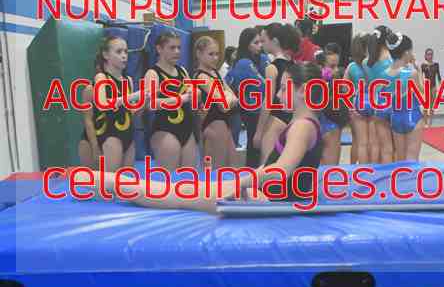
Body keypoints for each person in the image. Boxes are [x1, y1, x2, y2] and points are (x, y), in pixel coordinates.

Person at [90, 63, 323, 214]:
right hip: (262, 194)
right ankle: (104, 181)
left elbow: (280, 171)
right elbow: (275, 167)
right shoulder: (304, 123)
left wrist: (242, 184)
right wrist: (246, 180)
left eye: (284, 88)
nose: (279, 94)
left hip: (264, 199)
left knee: (175, 195)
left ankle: (104, 182)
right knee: (181, 190)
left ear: (303, 90)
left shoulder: (302, 126)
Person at [85, 34, 139, 172]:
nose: (124, 56)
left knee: (127, 182)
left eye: (126, 51)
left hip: (127, 136)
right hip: (108, 135)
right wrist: (94, 147)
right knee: (110, 182)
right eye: (119, 52)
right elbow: (103, 105)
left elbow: (130, 113)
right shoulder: (101, 78)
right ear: (106, 55)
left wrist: (145, 101)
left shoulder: (128, 81)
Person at [144, 31, 197, 171]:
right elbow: (150, 104)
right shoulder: (153, 73)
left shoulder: (182, 71)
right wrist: (180, 99)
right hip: (165, 130)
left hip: (187, 129)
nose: (177, 51)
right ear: (159, 49)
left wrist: (194, 92)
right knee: (169, 179)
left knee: (189, 178)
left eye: (179, 47)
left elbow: (192, 93)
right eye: (172, 48)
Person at [253, 23, 301, 162]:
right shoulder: (294, 65)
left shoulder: (272, 68)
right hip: (292, 120)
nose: (261, 45)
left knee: (267, 166)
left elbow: (268, 102)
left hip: (276, 120)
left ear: (274, 41)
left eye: (263, 41)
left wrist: (259, 132)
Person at [193, 36, 239, 169]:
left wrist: (228, 98)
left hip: (224, 124)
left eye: (217, 54)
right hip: (213, 125)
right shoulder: (201, 76)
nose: (215, 58)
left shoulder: (215, 73)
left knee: (233, 168)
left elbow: (234, 98)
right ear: (199, 54)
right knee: (215, 172)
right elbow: (225, 104)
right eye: (211, 54)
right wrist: (228, 97)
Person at [226, 27, 266, 167]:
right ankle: (253, 172)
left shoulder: (257, 59)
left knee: (256, 144)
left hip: (255, 108)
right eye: (256, 43)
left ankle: (254, 170)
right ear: (246, 44)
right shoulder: (244, 63)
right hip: (251, 110)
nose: (260, 46)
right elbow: (263, 85)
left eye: (261, 42)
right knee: (255, 144)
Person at [382, 33, 424, 162]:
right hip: (412, 115)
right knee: (412, 158)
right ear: (406, 52)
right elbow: (423, 93)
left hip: (395, 117)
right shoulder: (412, 73)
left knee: (400, 159)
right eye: (411, 50)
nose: (412, 53)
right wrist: (419, 71)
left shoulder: (384, 74)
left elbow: (384, 100)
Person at [364, 26, 394, 164]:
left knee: (382, 146)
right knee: (393, 148)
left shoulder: (366, 62)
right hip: (393, 102)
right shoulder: (391, 59)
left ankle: (382, 174)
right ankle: (395, 174)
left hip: (377, 103)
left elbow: (370, 83)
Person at [318, 42, 349, 165]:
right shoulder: (316, 82)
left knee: (329, 168)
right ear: (320, 67)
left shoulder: (335, 81)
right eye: (332, 66)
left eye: (337, 66)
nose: (336, 70)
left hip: (331, 124)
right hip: (326, 126)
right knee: (328, 169)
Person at [345, 34, 374, 164]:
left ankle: (357, 169)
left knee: (359, 142)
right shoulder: (373, 65)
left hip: (358, 102)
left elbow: (344, 88)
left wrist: (350, 106)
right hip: (373, 101)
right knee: (372, 142)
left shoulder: (351, 67)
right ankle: (372, 169)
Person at [78, 82, 99, 168]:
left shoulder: (124, 86)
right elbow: (88, 119)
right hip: (92, 139)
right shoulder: (90, 90)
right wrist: (95, 146)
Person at [421, 48, 441, 127]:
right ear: (426, 55)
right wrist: (422, 83)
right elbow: (420, 75)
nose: (430, 56)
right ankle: (425, 122)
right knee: (426, 104)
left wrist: (440, 84)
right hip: (427, 85)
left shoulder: (436, 65)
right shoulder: (423, 65)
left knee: (432, 105)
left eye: (431, 54)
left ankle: (430, 122)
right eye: (428, 54)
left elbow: (438, 76)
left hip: (433, 86)